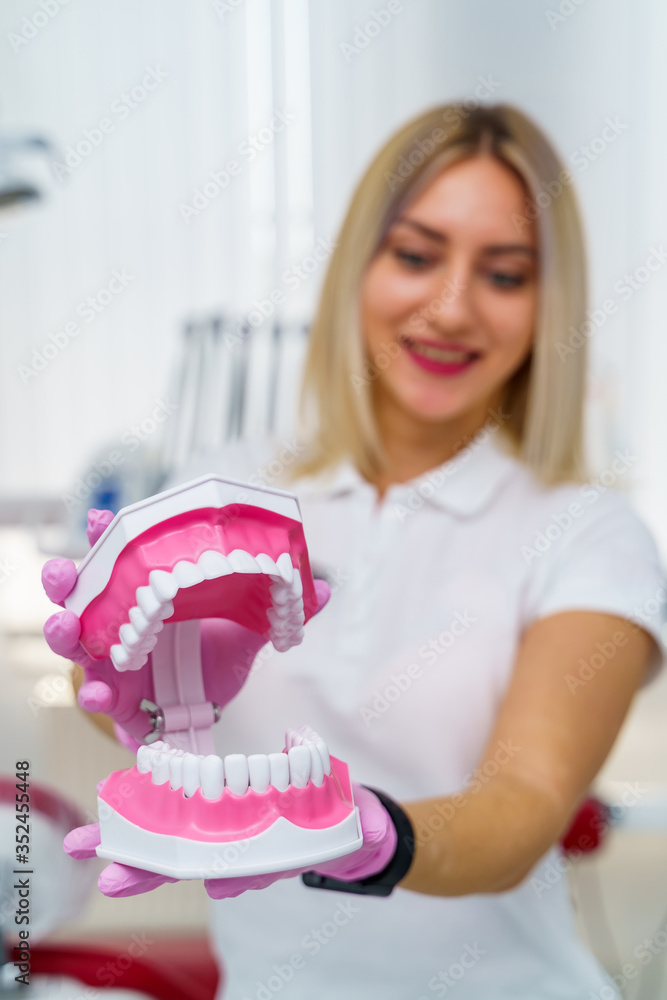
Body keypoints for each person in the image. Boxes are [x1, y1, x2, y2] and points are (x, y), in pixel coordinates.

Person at [44, 103, 666, 999]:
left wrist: (375, 834)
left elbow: (524, 803)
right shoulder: (230, 482)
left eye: (503, 273)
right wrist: (132, 681)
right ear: (357, 266)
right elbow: (108, 688)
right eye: (415, 255)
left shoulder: (590, 532)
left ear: (546, 307)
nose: (449, 309)